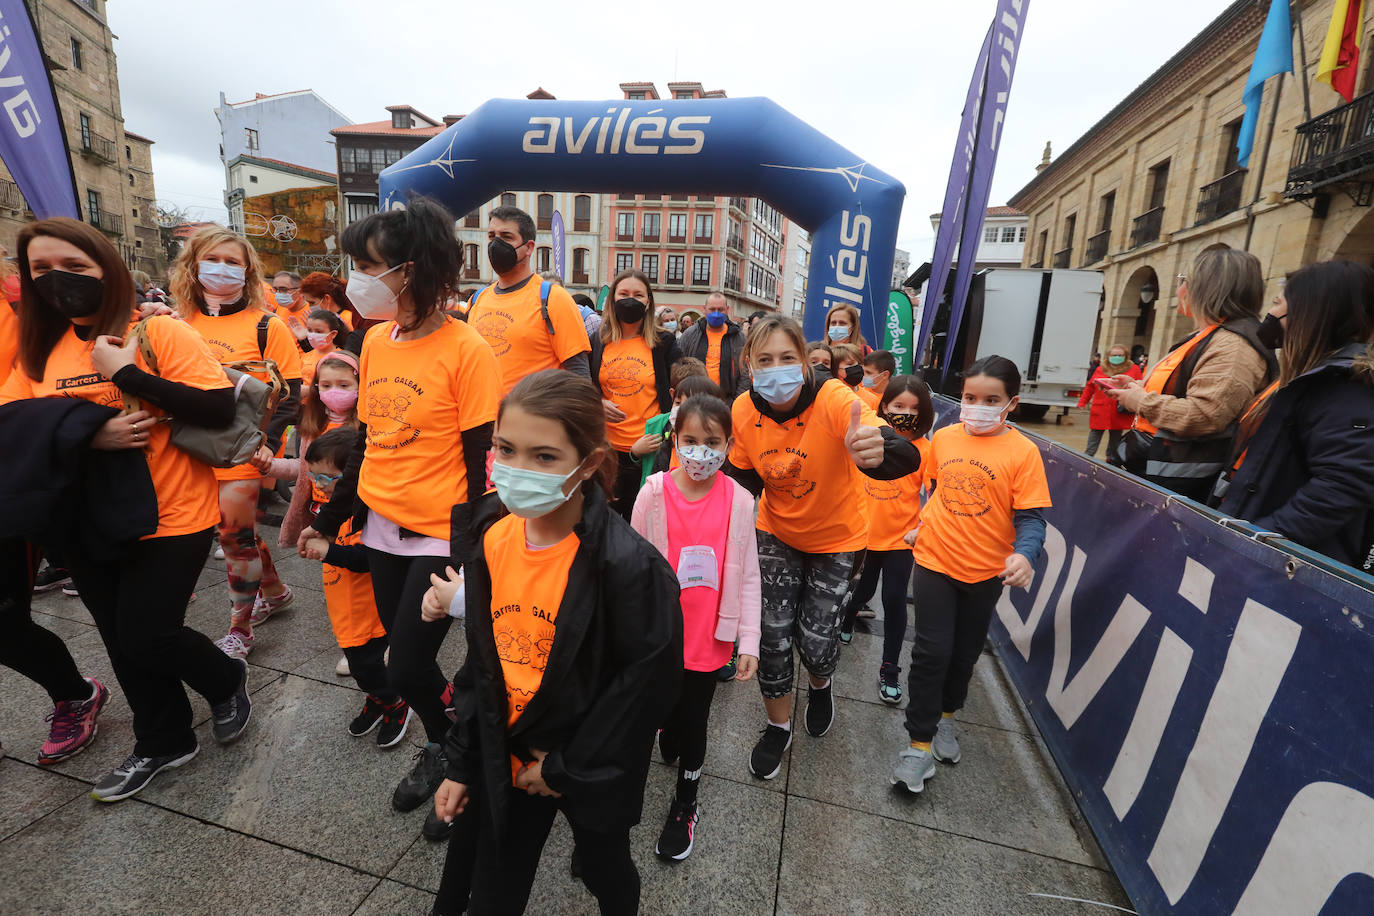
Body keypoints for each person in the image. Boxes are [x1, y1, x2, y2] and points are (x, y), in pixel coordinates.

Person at [0, 217, 251, 801]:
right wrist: (90, 430)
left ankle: (224, 677)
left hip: (174, 510)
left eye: (75, 267)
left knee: (149, 635)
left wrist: (129, 374)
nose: (58, 280)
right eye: (41, 270)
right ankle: (163, 739)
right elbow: (12, 425)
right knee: (118, 638)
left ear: (106, 268)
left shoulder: (159, 333)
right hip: (85, 520)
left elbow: (218, 409)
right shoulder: (37, 351)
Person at [427, 369, 682, 914]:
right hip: (510, 749)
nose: (517, 470)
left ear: (588, 463)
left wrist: (565, 769)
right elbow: (485, 661)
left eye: (544, 457)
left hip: (586, 760)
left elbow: (645, 691)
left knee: (603, 865)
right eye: (505, 449)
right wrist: (462, 762)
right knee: (491, 885)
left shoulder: (630, 568)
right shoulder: (492, 534)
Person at [300, 196, 502, 842]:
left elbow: (480, 464)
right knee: (399, 661)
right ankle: (448, 744)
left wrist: (474, 551)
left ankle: (456, 754)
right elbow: (367, 440)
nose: (356, 277)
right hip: (381, 526)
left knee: (410, 666)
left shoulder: (467, 349)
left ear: (412, 270)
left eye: (368, 265)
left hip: (440, 534)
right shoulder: (373, 342)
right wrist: (332, 519)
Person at [726, 316, 919, 780]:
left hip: (838, 538)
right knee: (771, 637)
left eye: (788, 358)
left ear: (806, 364)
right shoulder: (741, 410)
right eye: (765, 360)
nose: (777, 370)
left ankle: (820, 681)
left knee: (816, 640)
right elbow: (743, 477)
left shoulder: (834, 397)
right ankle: (777, 726)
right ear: (749, 365)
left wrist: (878, 449)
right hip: (777, 532)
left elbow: (901, 454)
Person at [891, 356, 1050, 794]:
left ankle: (946, 718)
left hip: (984, 574)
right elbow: (939, 491)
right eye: (969, 397)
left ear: (1011, 403)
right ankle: (917, 746)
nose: (977, 406)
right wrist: (923, 525)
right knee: (930, 652)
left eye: (990, 400)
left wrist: (1025, 555)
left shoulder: (1024, 453)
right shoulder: (942, 438)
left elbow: (1032, 519)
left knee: (963, 655)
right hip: (933, 561)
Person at [631, 393, 760, 861]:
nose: (700, 451)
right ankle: (625, 800)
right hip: (659, 636)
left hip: (709, 637)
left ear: (728, 444)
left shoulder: (741, 501)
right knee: (652, 715)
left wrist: (749, 639)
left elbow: (747, 573)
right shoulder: (652, 494)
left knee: (694, 718)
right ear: (674, 440)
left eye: (712, 441)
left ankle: (686, 802)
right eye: (690, 440)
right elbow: (633, 568)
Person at [173, 227, 302, 659]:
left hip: (247, 447)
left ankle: (240, 628)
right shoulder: (178, 325)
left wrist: (267, 442)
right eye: (214, 259)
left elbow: (291, 394)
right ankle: (276, 591)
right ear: (193, 265)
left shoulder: (269, 325)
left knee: (232, 531)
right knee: (236, 532)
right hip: (192, 446)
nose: (223, 268)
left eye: (233, 261)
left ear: (248, 271)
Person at [1215, 260, 1374, 568]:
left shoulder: (1346, 388)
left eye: (1278, 304)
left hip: (1286, 567)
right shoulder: (1308, 378)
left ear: (1310, 314)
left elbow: (1342, 485)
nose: (1271, 314)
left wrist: (1260, 539)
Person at [1108, 249, 1277, 501]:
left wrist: (1139, 401)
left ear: (1207, 288)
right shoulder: (1211, 335)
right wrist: (1135, 388)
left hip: (1180, 483)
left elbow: (1205, 415)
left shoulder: (1233, 346)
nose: (1180, 288)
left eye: (1184, 280)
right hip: (1159, 468)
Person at [299, 429, 413, 747]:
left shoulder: (369, 517)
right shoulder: (329, 515)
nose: (318, 486)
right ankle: (377, 698)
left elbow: (367, 559)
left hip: (370, 612)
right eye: (314, 477)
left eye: (327, 478)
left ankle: (395, 703)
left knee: (367, 665)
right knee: (359, 663)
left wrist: (328, 551)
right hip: (344, 609)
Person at [838, 376, 933, 700]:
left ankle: (890, 669)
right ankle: (848, 619)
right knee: (861, 589)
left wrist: (922, 528)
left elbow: (935, 494)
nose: (906, 413)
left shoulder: (925, 450)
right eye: (898, 406)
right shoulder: (869, 437)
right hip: (863, 534)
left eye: (913, 408)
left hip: (900, 540)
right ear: (884, 407)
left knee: (894, 601)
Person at [466, 206, 591, 393]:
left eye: (506, 237)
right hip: (485, 418)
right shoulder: (477, 299)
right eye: (492, 236)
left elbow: (579, 375)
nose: (495, 244)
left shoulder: (554, 298)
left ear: (529, 247)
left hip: (535, 419)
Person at [590, 269, 682, 520]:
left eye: (638, 294)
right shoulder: (598, 341)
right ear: (612, 299)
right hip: (606, 451)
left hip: (649, 450)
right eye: (624, 293)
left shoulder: (665, 343)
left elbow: (683, 387)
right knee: (603, 522)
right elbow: (582, 385)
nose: (630, 299)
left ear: (648, 302)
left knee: (642, 522)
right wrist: (596, 402)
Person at [632, 360, 713, 487]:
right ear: (672, 394)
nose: (684, 408)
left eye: (691, 401)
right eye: (679, 402)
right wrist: (635, 453)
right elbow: (645, 464)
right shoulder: (655, 425)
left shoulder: (710, 428)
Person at [676, 291, 749, 396]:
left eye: (720, 309)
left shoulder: (738, 337)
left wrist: (736, 401)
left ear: (727, 310)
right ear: (704, 309)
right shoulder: (690, 334)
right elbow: (679, 366)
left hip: (727, 401)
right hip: (695, 399)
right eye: (712, 309)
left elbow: (745, 373)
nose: (716, 313)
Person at [1077, 343, 1140, 459]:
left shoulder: (1133, 369)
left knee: (1115, 439)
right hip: (1101, 409)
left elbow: (1140, 387)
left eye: (1120, 355)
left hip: (1119, 409)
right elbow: (1090, 386)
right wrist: (1082, 402)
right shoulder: (1101, 368)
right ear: (1109, 355)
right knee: (1094, 437)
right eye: (1114, 355)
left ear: (1126, 356)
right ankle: (1087, 459)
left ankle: (1111, 462)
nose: (1117, 357)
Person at [302, 309, 347, 391]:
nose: (313, 335)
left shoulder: (341, 358)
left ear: (333, 334)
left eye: (318, 331)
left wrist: (309, 391)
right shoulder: (305, 356)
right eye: (309, 330)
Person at [272, 270, 311, 349]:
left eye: (284, 289)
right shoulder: (277, 310)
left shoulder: (311, 313)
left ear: (299, 291)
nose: (279, 294)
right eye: (276, 290)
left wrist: (304, 339)